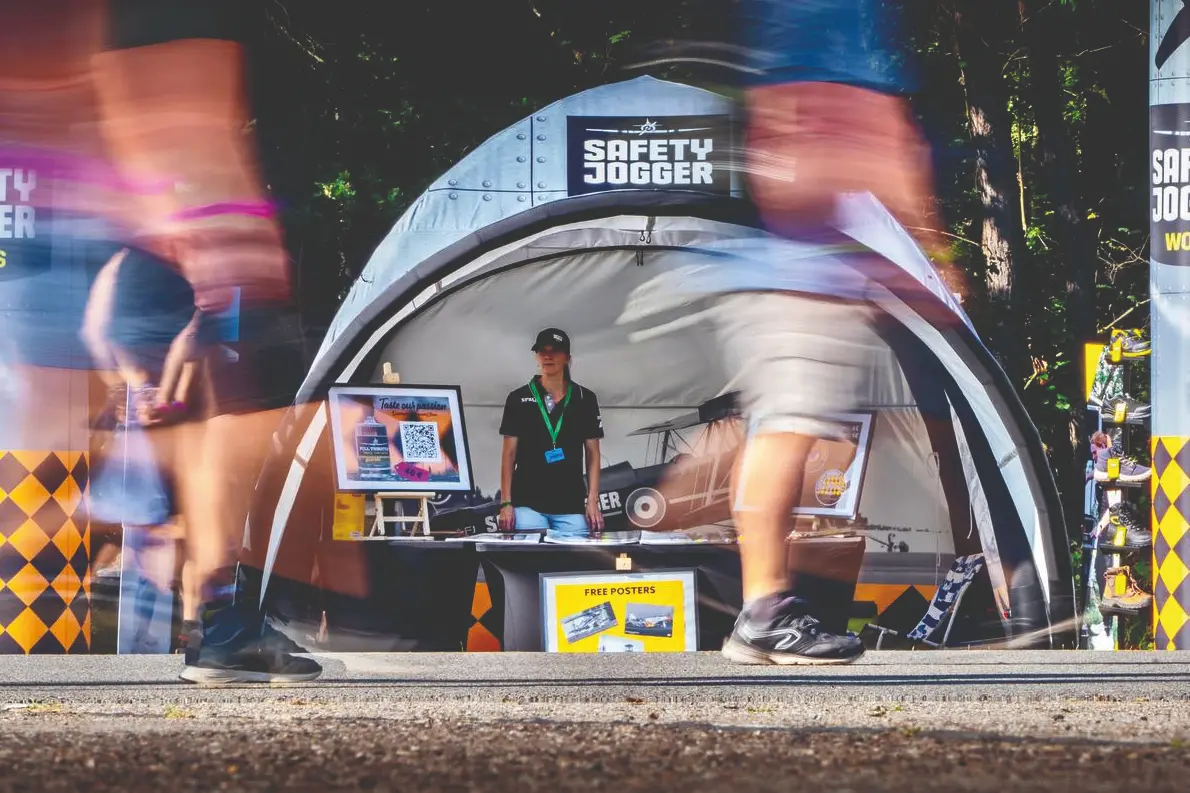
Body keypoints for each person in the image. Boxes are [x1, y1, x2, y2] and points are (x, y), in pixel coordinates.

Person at [0, 1, 319, 682]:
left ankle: (221, 619)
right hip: (135, 314)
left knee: (171, 497)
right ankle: (223, 621)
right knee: (204, 448)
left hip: (125, 304)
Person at [497, 328, 605, 542]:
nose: (547, 356)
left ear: (567, 358)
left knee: (572, 568)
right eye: (541, 351)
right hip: (528, 503)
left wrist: (592, 500)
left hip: (571, 504)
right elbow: (508, 455)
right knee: (531, 563)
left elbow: (593, 454)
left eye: (554, 351)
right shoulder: (519, 398)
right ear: (536, 356)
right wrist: (506, 503)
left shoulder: (585, 398)